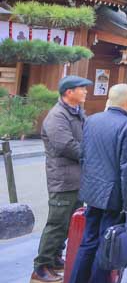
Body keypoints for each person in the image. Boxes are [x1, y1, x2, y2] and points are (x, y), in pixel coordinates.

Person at [68, 84, 127, 283]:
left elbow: (84, 156)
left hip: (92, 190)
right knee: (107, 245)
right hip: (113, 194)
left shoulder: (92, 121)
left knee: (88, 241)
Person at [31, 76, 90, 283]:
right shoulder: (57, 116)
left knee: (69, 223)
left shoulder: (76, 112)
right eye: (81, 89)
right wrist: (90, 155)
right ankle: (41, 266)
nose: (85, 92)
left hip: (76, 178)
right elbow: (66, 145)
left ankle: (55, 258)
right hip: (63, 179)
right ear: (68, 92)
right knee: (57, 223)